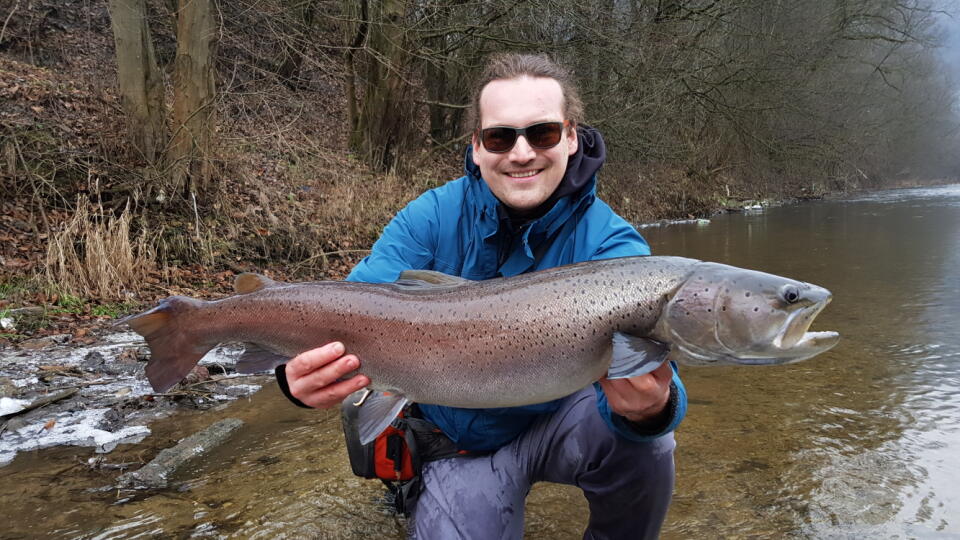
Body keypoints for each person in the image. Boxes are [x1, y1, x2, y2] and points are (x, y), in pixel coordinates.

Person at [278, 53, 687, 539]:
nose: (521, 153)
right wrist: (294, 380)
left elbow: (661, 368)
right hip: (459, 440)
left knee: (652, 443)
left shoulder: (612, 244)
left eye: (542, 133)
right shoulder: (429, 218)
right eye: (500, 136)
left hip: (564, 420)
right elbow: (349, 310)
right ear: (476, 147)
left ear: (572, 137)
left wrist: (653, 410)